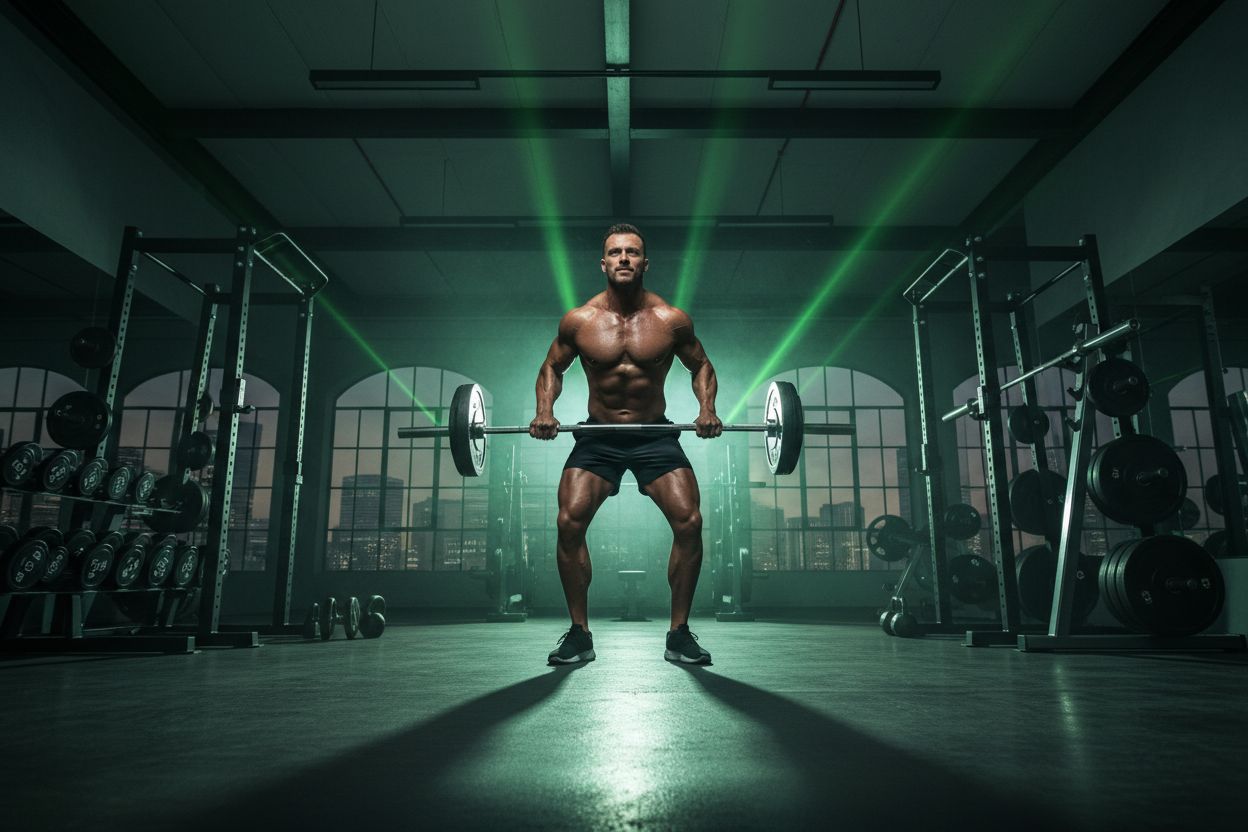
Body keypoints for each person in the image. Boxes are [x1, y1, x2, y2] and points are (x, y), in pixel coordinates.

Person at [531, 223, 722, 666]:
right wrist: (545, 411)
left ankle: (679, 634)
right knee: (568, 523)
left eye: (632, 252)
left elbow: (702, 365)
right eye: (615, 252)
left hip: (654, 434)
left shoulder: (670, 320)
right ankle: (579, 634)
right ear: (603, 263)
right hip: (599, 437)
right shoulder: (579, 321)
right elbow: (551, 368)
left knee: (690, 522)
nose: (623, 259)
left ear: (644, 262)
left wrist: (707, 408)